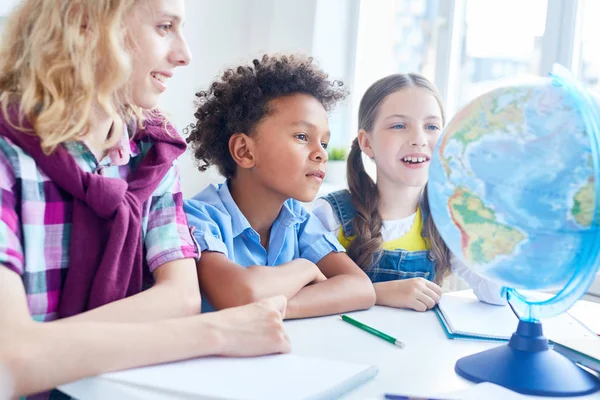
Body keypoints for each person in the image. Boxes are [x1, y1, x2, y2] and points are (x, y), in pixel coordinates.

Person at [0, 1, 289, 398]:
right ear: (85, 25)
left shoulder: (153, 152)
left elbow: (182, 297)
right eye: (164, 26)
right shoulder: (6, 154)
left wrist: (41, 347)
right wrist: (216, 331)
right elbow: (9, 361)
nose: (184, 54)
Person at [184, 54, 376, 318]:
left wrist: (274, 306)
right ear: (245, 151)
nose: (321, 153)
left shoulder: (298, 221)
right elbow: (242, 295)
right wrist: (305, 268)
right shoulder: (197, 218)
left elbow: (360, 288)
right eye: (302, 136)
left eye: (324, 143)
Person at [312, 73, 506, 312]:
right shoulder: (331, 215)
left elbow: (497, 295)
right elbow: (302, 294)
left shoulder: (446, 219)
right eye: (399, 126)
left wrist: (491, 227)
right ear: (366, 143)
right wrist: (377, 293)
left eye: (432, 126)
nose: (419, 139)